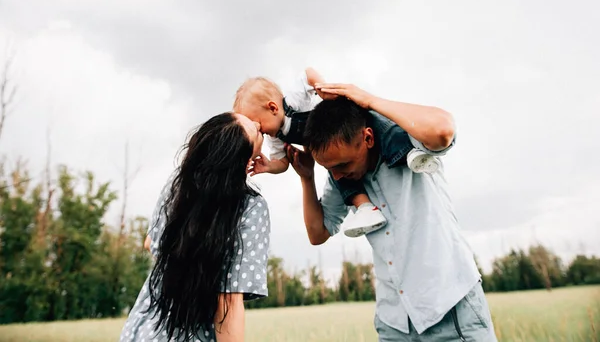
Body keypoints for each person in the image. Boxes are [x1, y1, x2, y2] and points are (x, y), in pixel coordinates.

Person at [286, 83, 497, 341]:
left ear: (368, 138)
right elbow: (318, 233)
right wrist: (307, 179)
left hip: (450, 310)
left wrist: (369, 100)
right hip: (394, 323)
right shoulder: (339, 177)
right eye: (330, 169)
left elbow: (443, 130)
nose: (338, 175)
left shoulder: (410, 146)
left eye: (343, 164)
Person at [233, 68, 440, 237]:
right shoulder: (276, 137)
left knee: (382, 128)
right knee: (339, 177)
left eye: (257, 125)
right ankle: (365, 208)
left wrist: (322, 88)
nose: (259, 133)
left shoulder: (292, 103)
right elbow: (283, 163)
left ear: (272, 107)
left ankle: (411, 152)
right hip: (329, 151)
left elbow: (308, 74)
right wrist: (271, 167)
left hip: (339, 124)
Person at [120, 112, 271, 342]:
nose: (259, 124)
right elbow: (228, 303)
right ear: (243, 161)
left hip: (139, 331)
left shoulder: (178, 183)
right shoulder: (250, 207)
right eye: (255, 130)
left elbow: (151, 243)